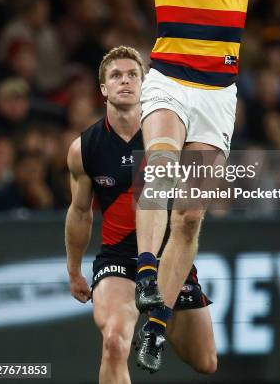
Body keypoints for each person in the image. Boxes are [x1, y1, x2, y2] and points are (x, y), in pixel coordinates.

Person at [120, 0, 269, 368]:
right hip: (169, 81)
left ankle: (156, 325)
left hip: (217, 96)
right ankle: (144, 271)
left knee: (190, 216)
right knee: (160, 166)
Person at [65, 46, 217, 382]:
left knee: (205, 361)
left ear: (145, 84)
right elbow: (79, 213)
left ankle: (158, 320)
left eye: (133, 74)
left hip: (170, 258)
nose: (125, 81)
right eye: (116, 75)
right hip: (118, 260)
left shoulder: (174, 136)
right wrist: (75, 271)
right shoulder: (84, 148)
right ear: (103, 88)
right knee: (115, 343)